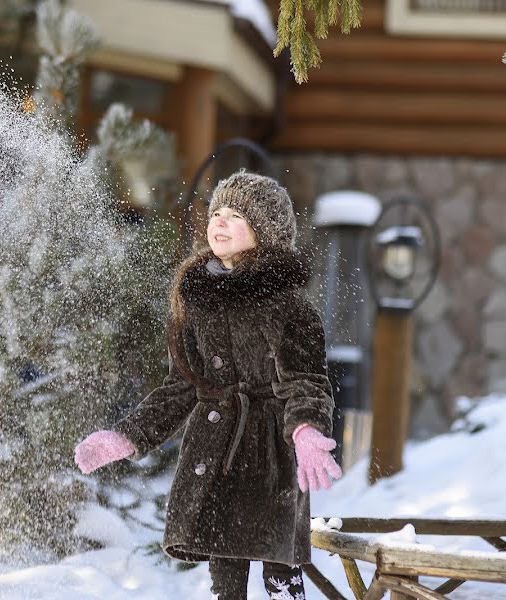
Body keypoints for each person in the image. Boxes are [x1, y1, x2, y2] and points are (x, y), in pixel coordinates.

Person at [74, 170, 342, 599]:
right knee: (226, 572)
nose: (219, 221)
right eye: (216, 212)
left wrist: (306, 430)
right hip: (216, 448)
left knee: (278, 566)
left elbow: (306, 381)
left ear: (264, 232)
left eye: (235, 215)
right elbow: (182, 385)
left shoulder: (290, 309)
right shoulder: (198, 303)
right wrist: (128, 435)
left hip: (270, 450)